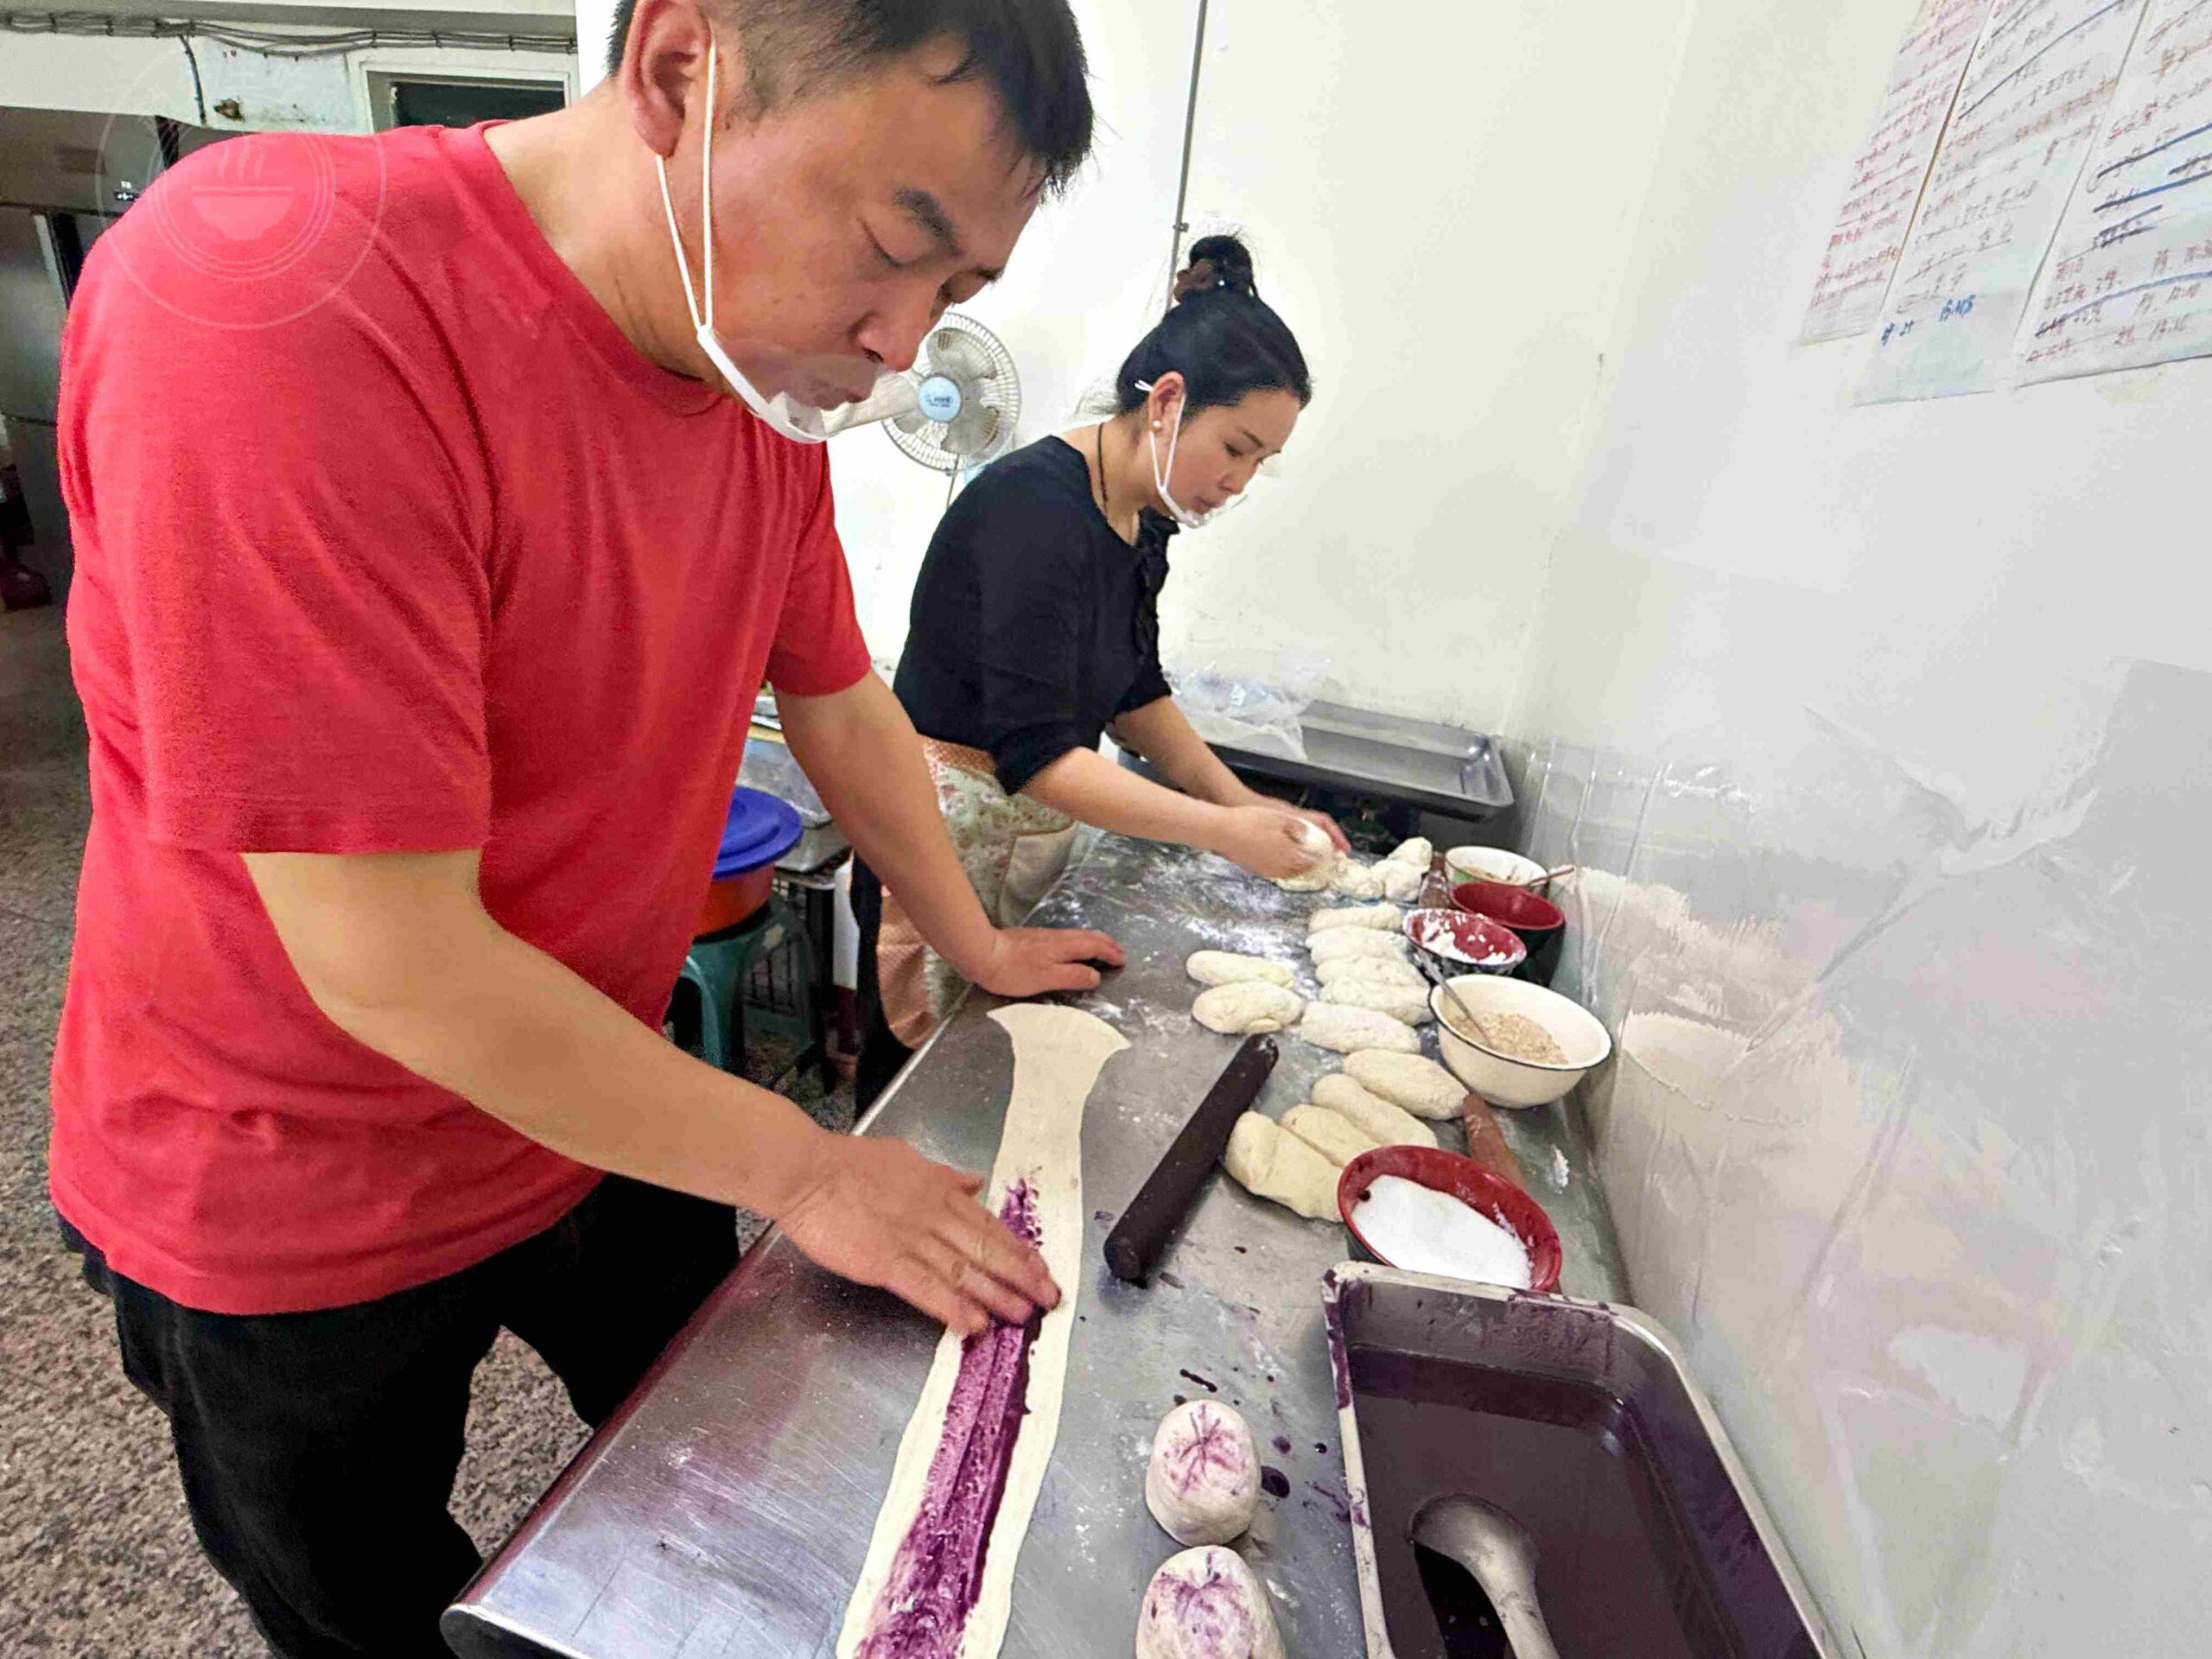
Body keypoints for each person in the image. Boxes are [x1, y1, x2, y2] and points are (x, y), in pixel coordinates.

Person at [47, 3, 1114, 1652]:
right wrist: (807, 1166)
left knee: (742, 1494)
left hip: (600, 1092)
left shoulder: (752, 369)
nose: (901, 345)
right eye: (896, 248)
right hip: (289, 1179)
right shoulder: (280, 299)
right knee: (369, 1605)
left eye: (955, 296)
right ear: (685, 69)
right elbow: (390, 960)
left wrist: (970, 939)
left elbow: (838, 698)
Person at [854, 233, 1331, 1103]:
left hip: (1023, 831)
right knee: (925, 1087)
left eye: (1261, 463)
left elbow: (1134, 691)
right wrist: (1220, 833)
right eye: (1235, 447)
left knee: (1002, 1074)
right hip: (938, 841)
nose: (1239, 481)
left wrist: (1243, 802)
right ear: (1169, 401)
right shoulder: (1034, 511)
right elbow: (1037, 752)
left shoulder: (1143, 519)